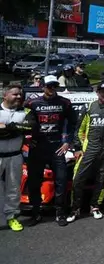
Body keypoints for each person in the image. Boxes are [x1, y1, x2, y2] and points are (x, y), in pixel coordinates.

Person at [67, 83, 104, 222]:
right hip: (88, 150)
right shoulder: (88, 107)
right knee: (78, 179)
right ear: (97, 92)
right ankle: (75, 209)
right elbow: (78, 129)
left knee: (101, 180)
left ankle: (95, 206)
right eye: (102, 91)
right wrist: (77, 148)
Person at [25, 75, 77, 226]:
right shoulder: (31, 103)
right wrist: (27, 140)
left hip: (57, 148)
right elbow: (23, 123)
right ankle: (36, 213)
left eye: (54, 86)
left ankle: (60, 213)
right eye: (49, 86)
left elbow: (74, 123)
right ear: (42, 87)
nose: (52, 89)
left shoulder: (65, 103)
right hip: (37, 148)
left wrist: (67, 142)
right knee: (34, 182)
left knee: (61, 180)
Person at [0, 84, 37, 232]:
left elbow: (31, 127)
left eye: (20, 94)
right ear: (5, 95)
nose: (19, 97)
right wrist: (17, 128)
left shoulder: (26, 111)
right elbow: (21, 129)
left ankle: (11, 217)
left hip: (15, 155)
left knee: (14, 188)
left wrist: (7, 128)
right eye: (15, 94)